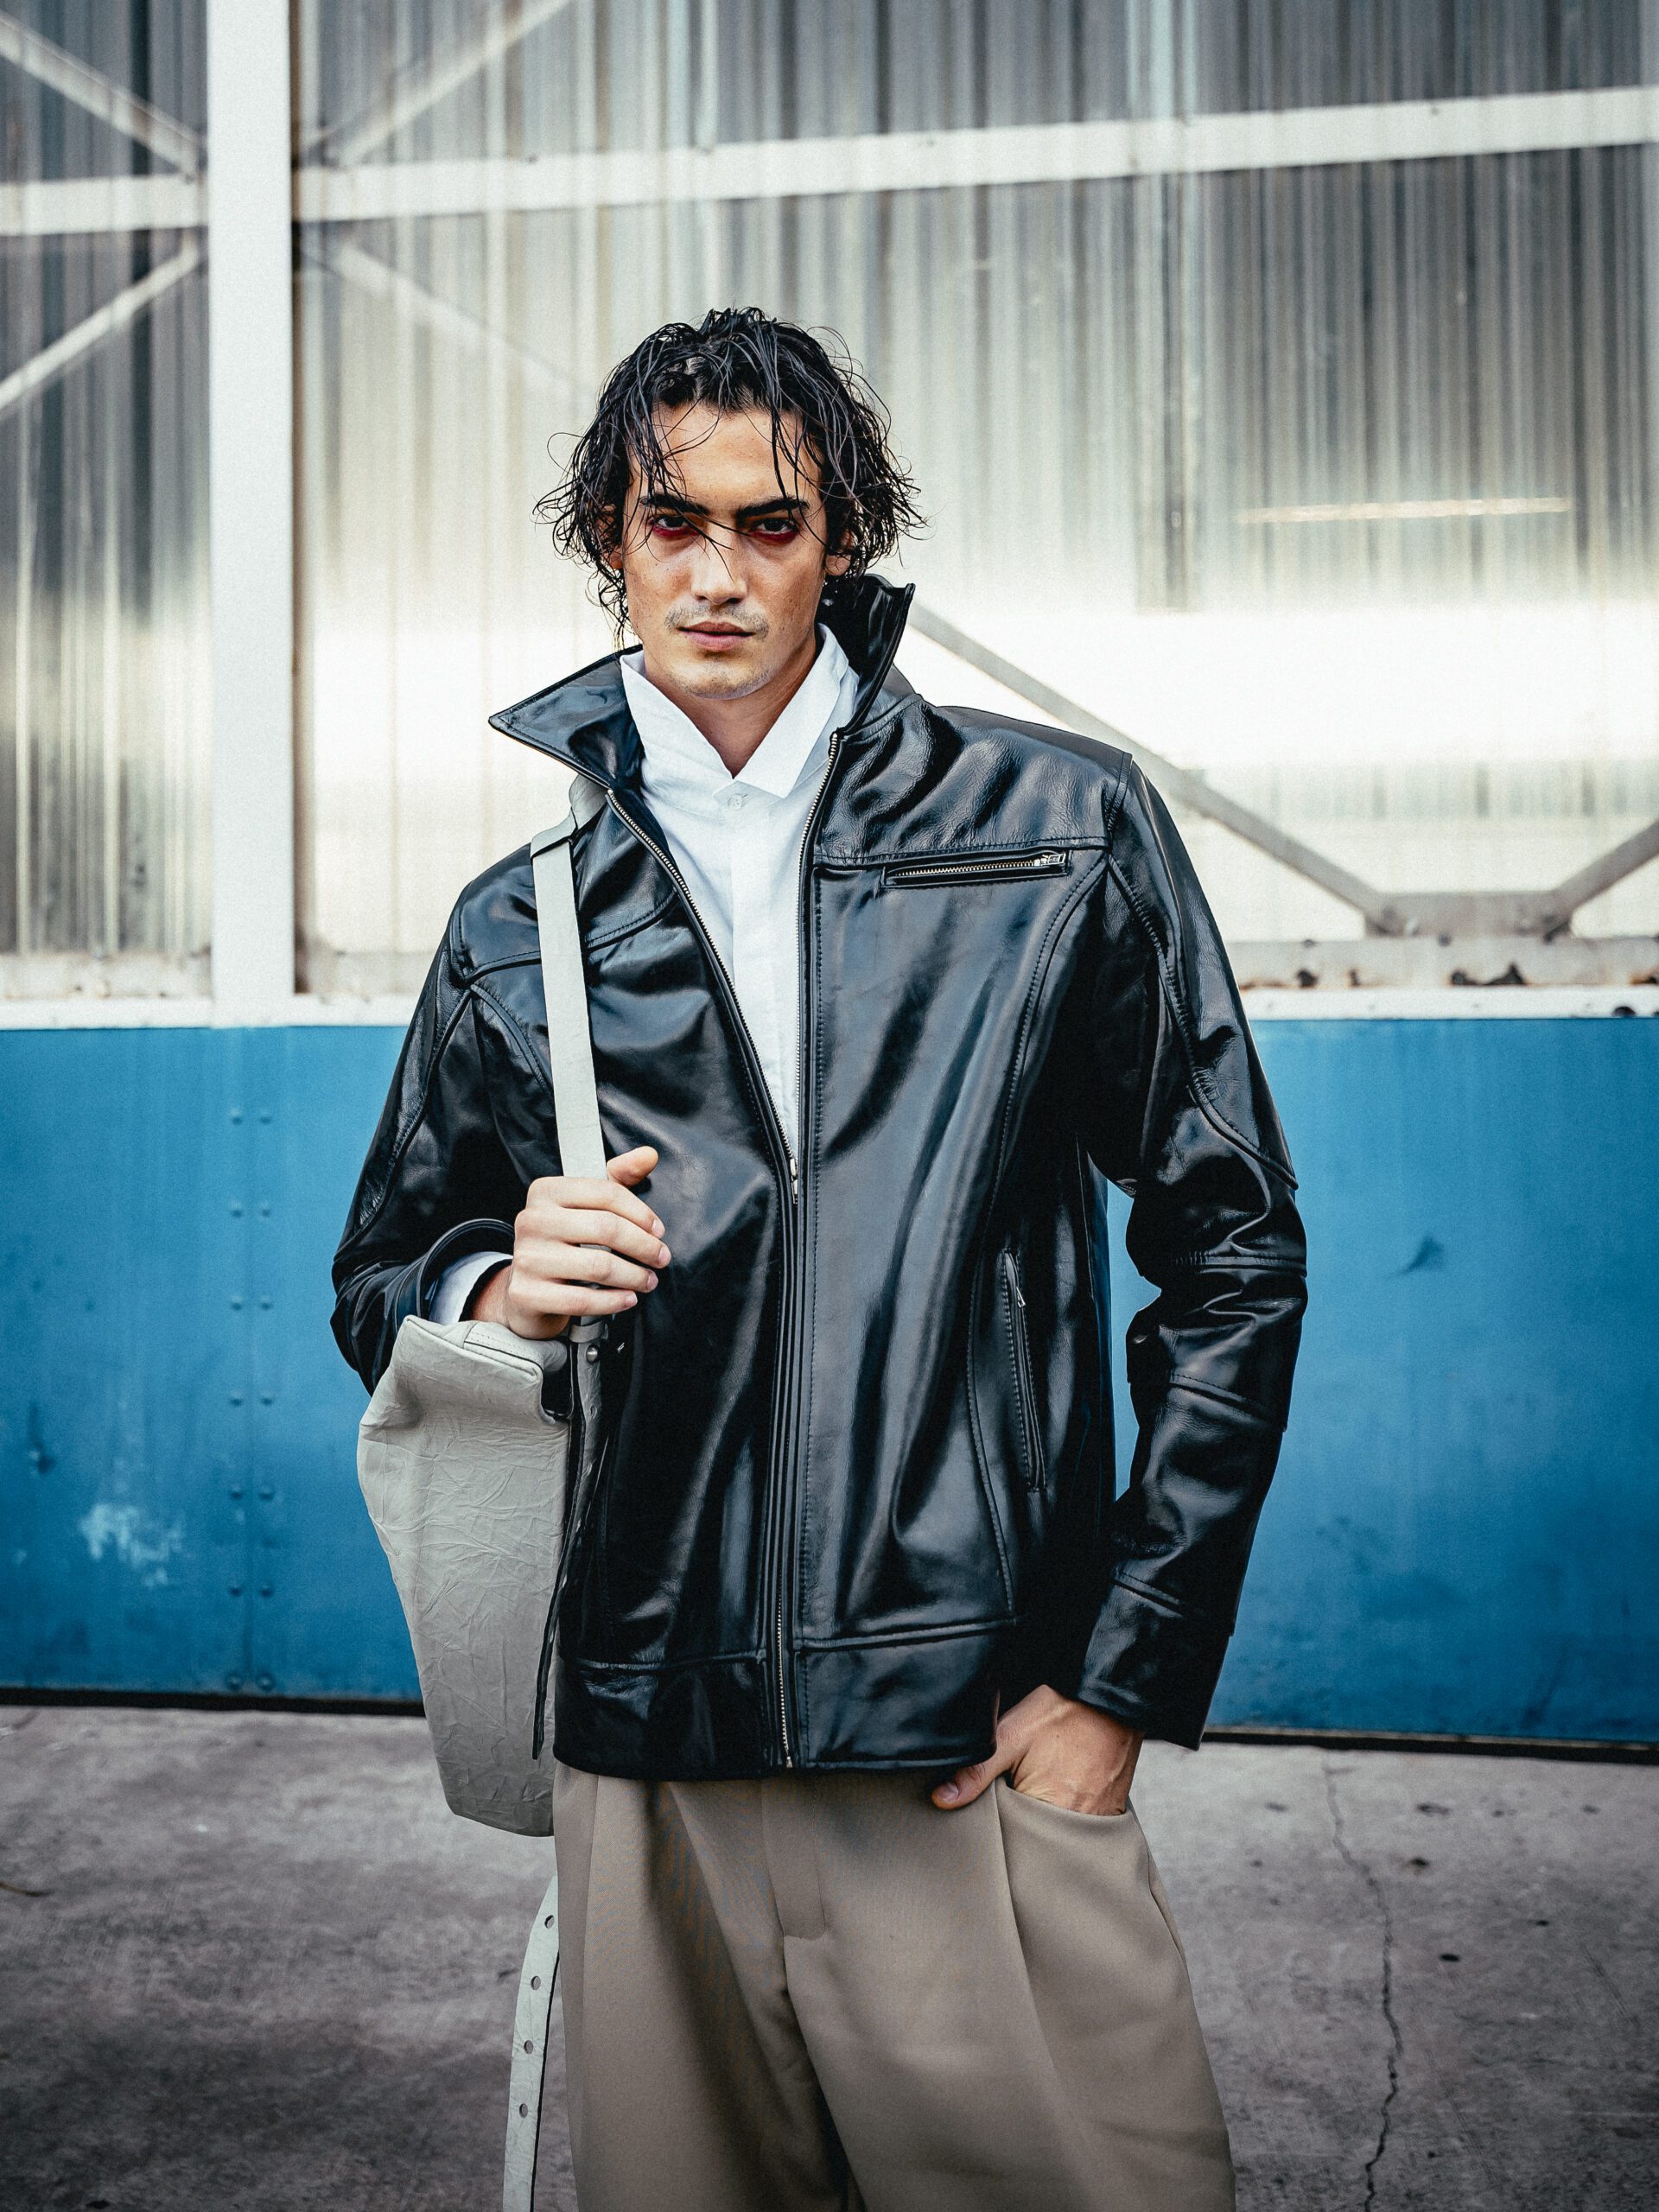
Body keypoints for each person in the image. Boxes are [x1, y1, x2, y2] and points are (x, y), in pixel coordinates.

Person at [332, 307, 1306, 2212]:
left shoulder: (1057, 830)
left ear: (838, 539)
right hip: (644, 1753)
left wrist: (1120, 1675)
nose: (715, 573)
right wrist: (496, 1286)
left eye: (768, 524)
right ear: (608, 542)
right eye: (668, 522)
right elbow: (383, 1273)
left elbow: (1234, 1243)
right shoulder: (519, 927)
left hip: (968, 1737)